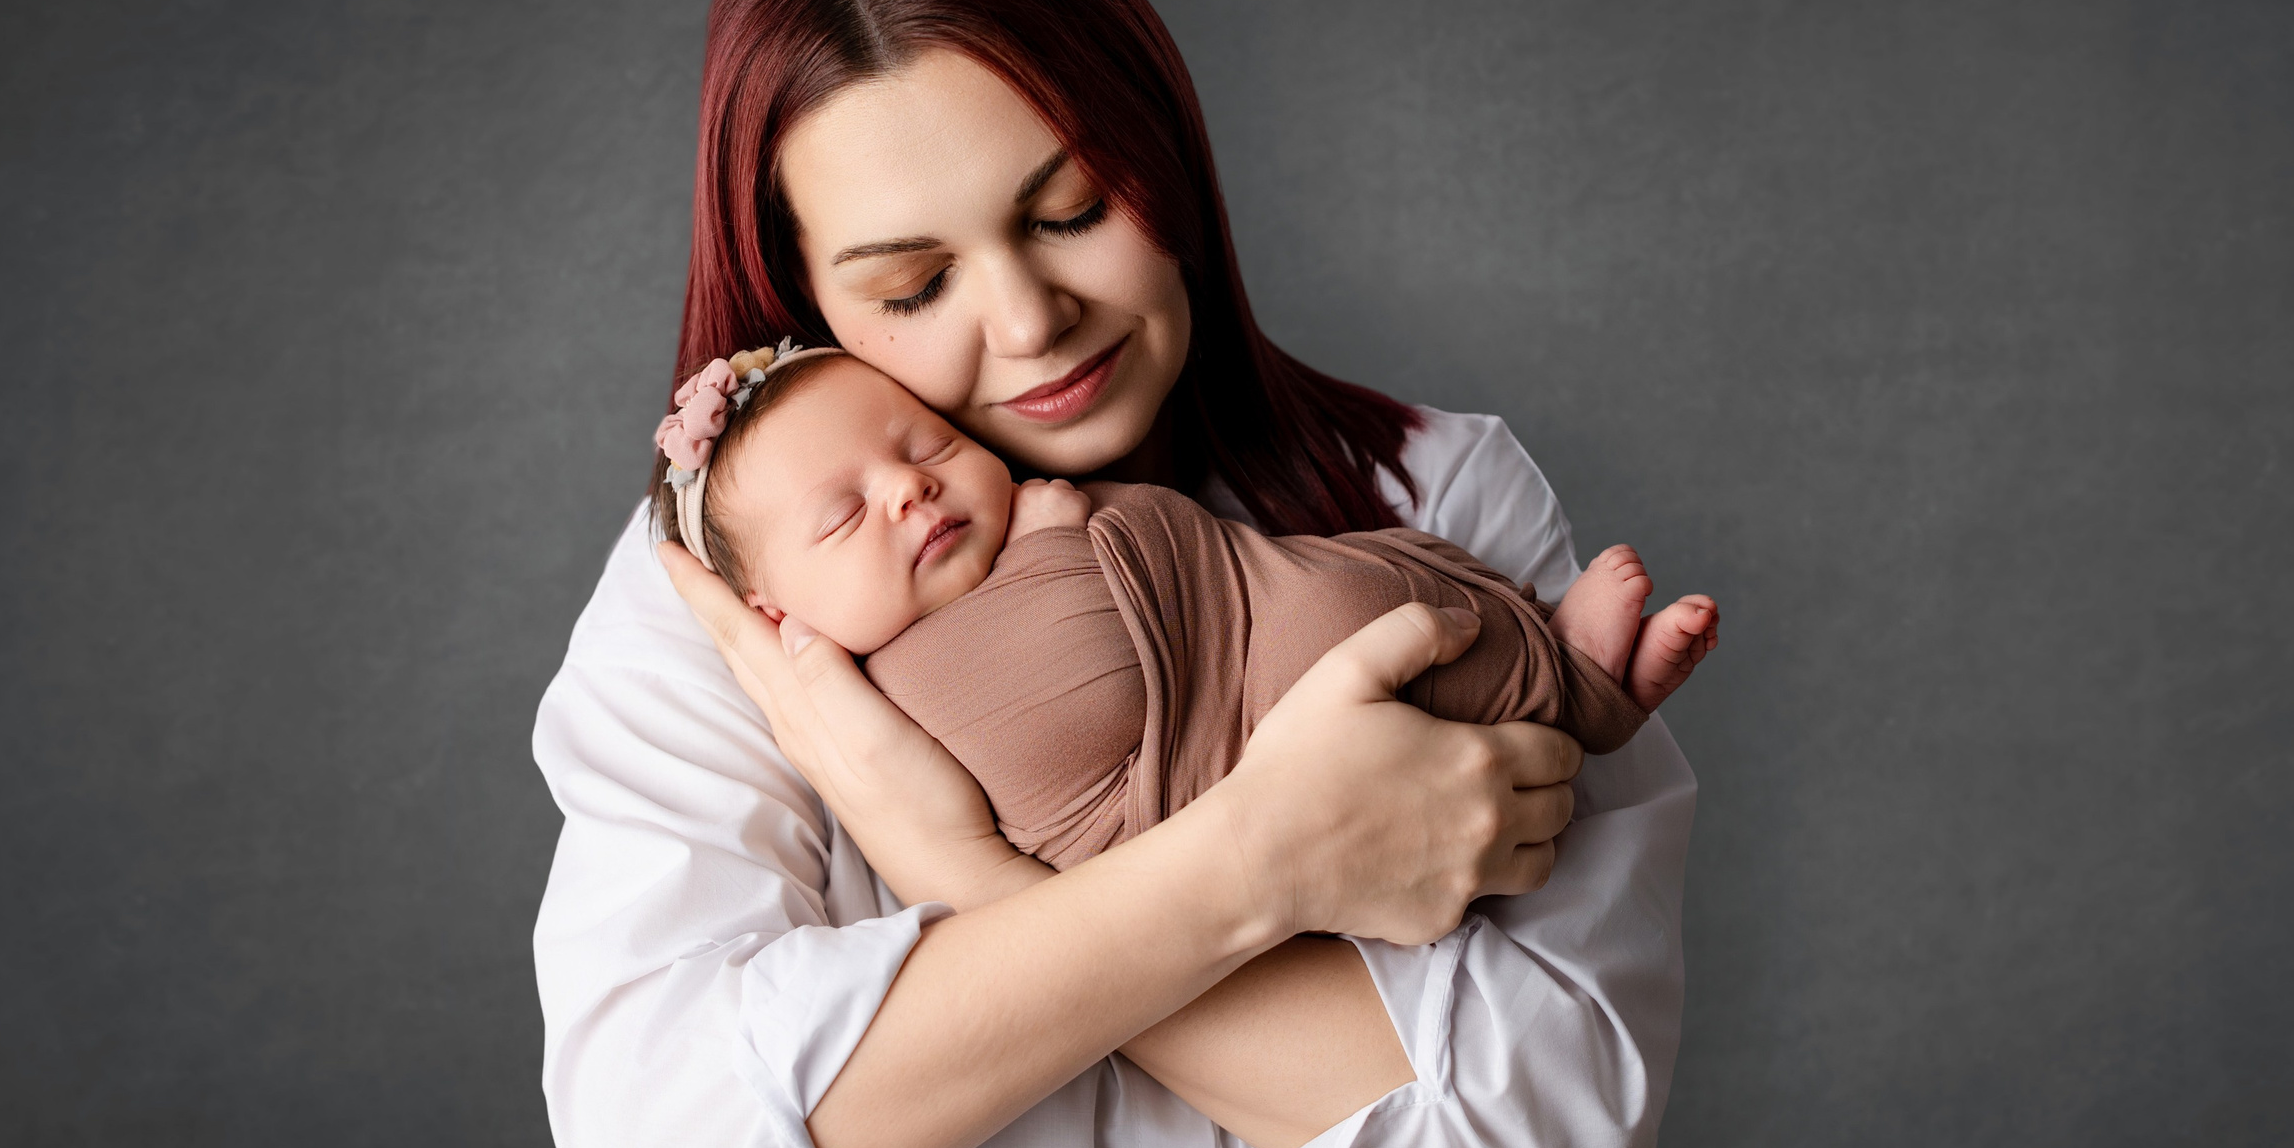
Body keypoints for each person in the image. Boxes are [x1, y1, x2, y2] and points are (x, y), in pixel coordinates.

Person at [532, 0, 1700, 1148]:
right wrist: (1264, 861)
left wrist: (959, 871)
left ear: (1164, 143)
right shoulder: (742, 599)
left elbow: (1546, 1143)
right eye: (912, 282)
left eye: (1072, 207)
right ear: (801, 297)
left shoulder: (1432, 494)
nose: (1027, 324)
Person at [643, 341, 1718, 868]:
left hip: (1280, 621)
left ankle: (1563, 663)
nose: (910, 488)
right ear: (776, 614)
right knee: (1385, 643)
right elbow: (1078, 709)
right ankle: (1577, 692)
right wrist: (1066, 546)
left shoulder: (1452, 460)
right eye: (843, 518)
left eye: (925, 445)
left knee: (1391, 588)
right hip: (1228, 778)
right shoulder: (897, 683)